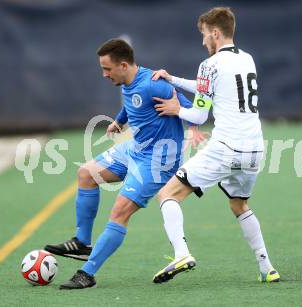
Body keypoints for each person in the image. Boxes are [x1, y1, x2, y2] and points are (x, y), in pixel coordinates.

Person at [44, 38, 205, 289]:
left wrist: (193, 127)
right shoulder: (126, 81)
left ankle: (87, 274)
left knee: (119, 212)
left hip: (158, 160)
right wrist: (119, 121)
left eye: (107, 69)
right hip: (135, 149)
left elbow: (189, 106)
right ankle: (82, 242)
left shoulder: (154, 84)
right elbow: (132, 105)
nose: (104, 74)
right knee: (86, 173)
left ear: (123, 64)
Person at [149, 7, 280, 284]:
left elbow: (199, 115)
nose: (203, 41)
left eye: (204, 34)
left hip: (226, 148)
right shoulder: (247, 59)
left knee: (167, 195)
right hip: (255, 149)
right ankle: (267, 268)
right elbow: (210, 87)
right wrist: (173, 79)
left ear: (216, 33)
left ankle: (181, 253)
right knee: (239, 205)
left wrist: (176, 109)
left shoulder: (209, 64)